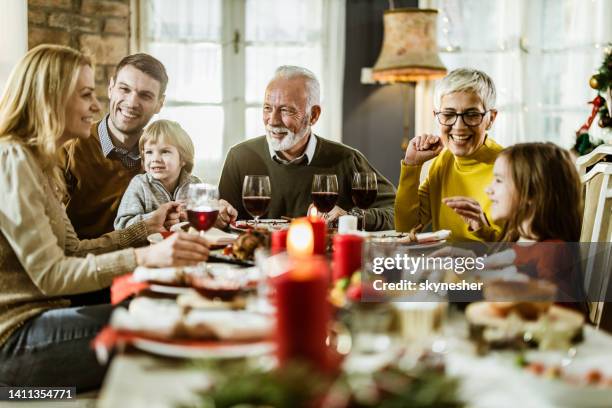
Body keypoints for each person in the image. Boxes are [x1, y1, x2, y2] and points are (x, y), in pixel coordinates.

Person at [0, 45, 209, 390]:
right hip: (13, 337)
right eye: (85, 96)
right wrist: (145, 255)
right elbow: (52, 274)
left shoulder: (39, 163)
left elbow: (74, 250)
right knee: (163, 330)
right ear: (50, 97)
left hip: (46, 317)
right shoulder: (12, 159)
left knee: (163, 314)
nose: (97, 107)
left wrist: (146, 227)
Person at [218, 65, 396, 231]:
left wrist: (353, 217)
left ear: (314, 115)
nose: (272, 120)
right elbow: (221, 225)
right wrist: (219, 216)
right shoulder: (240, 157)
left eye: (286, 110)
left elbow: (397, 213)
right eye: (267, 108)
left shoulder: (347, 159)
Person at [59, 53, 194, 238]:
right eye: (124, 89)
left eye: (145, 96)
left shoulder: (161, 155)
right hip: (88, 263)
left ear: (159, 104)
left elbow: (188, 195)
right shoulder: (69, 148)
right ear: (110, 88)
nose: (131, 103)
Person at [395, 68, 504, 242]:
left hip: (489, 268)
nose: (459, 126)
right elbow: (406, 227)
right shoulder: (443, 160)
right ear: (436, 116)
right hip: (445, 266)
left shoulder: (509, 168)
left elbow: (519, 252)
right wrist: (411, 166)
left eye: (472, 114)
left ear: (491, 118)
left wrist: (483, 230)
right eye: (448, 114)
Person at [482, 142, 585, 305]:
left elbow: (556, 308)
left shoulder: (552, 251)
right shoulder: (519, 240)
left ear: (532, 193)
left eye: (499, 180)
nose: (488, 189)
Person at [114, 120, 237, 229]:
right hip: (153, 251)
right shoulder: (140, 185)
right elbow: (121, 226)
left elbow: (210, 221)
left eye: (165, 151)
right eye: (149, 152)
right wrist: (157, 218)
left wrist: (221, 216)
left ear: (183, 158)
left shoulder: (195, 185)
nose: (155, 159)